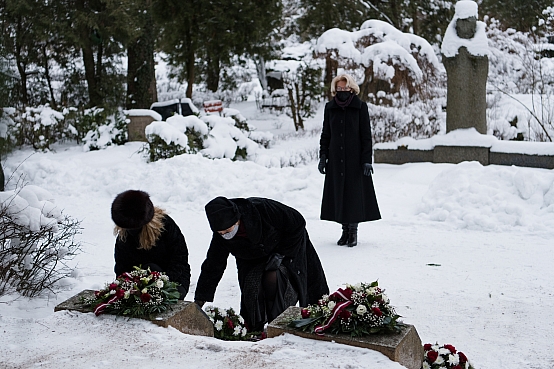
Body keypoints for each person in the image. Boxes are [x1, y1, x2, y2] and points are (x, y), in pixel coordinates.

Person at [194, 196, 329, 331]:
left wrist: (281, 254)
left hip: (286, 247)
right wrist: (201, 297)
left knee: (275, 280)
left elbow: (297, 221)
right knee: (253, 291)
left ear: (237, 220)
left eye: (228, 231)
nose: (225, 235)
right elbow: (213, 264)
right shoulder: (221, 237)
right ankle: (257, 328)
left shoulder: (263, 209)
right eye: (221, 233)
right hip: (252, 258)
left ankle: (279, 324)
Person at [318, 74, 381, 247]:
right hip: (336, 160)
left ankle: (353, 232)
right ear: (334, 89)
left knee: (353, 196)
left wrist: (366, 160)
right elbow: (326, 134)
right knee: (339, 195)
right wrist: (323, 156)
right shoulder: (330, 108)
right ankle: (344, 231)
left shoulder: (360, 107)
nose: (342, 91)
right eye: (339, 88)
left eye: (345, 89)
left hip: (355, 160)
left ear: (351, 89)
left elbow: (366, 136)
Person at [111, 189, 191, 299]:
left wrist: (160, 283)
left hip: (173, 279)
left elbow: (179, 259)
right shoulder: (124, 236)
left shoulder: (165, 226)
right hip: (139, 283)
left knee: (152, 268)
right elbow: (122, 267)